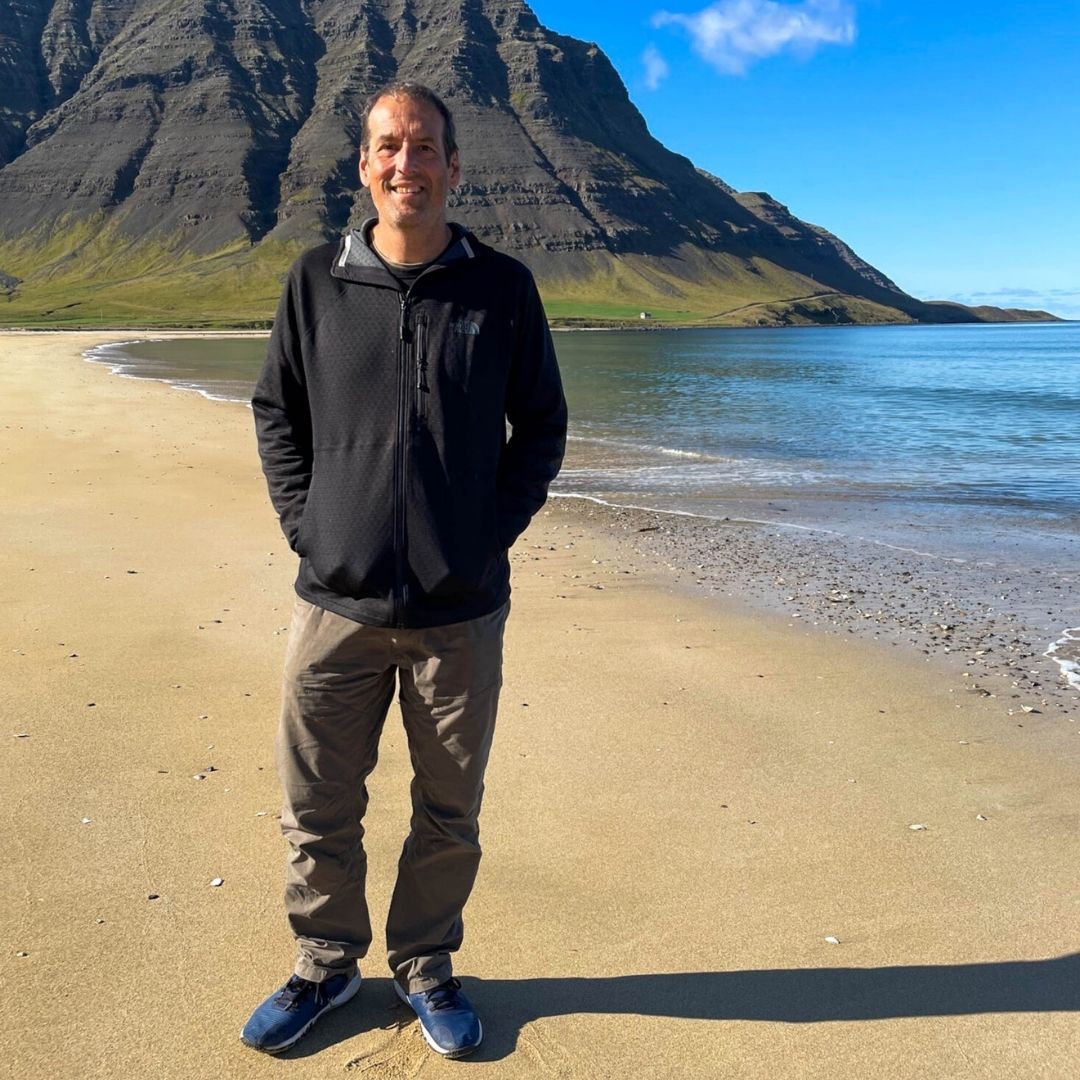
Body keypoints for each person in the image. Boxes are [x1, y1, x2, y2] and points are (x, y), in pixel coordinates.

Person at [242, 82, 566, 1059]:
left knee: (449, 811)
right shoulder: (315, 280)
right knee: (318, 806)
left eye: (424, 147)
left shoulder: (501, 289)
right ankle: (326, 964)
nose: (406, 164)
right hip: (333, 605)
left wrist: (483, 538)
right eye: (388, 146)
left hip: (459, 611)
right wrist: (313, 531)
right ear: (363, 165)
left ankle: (425, 964)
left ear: (454, 167)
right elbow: (276, 414)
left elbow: (541, 429)